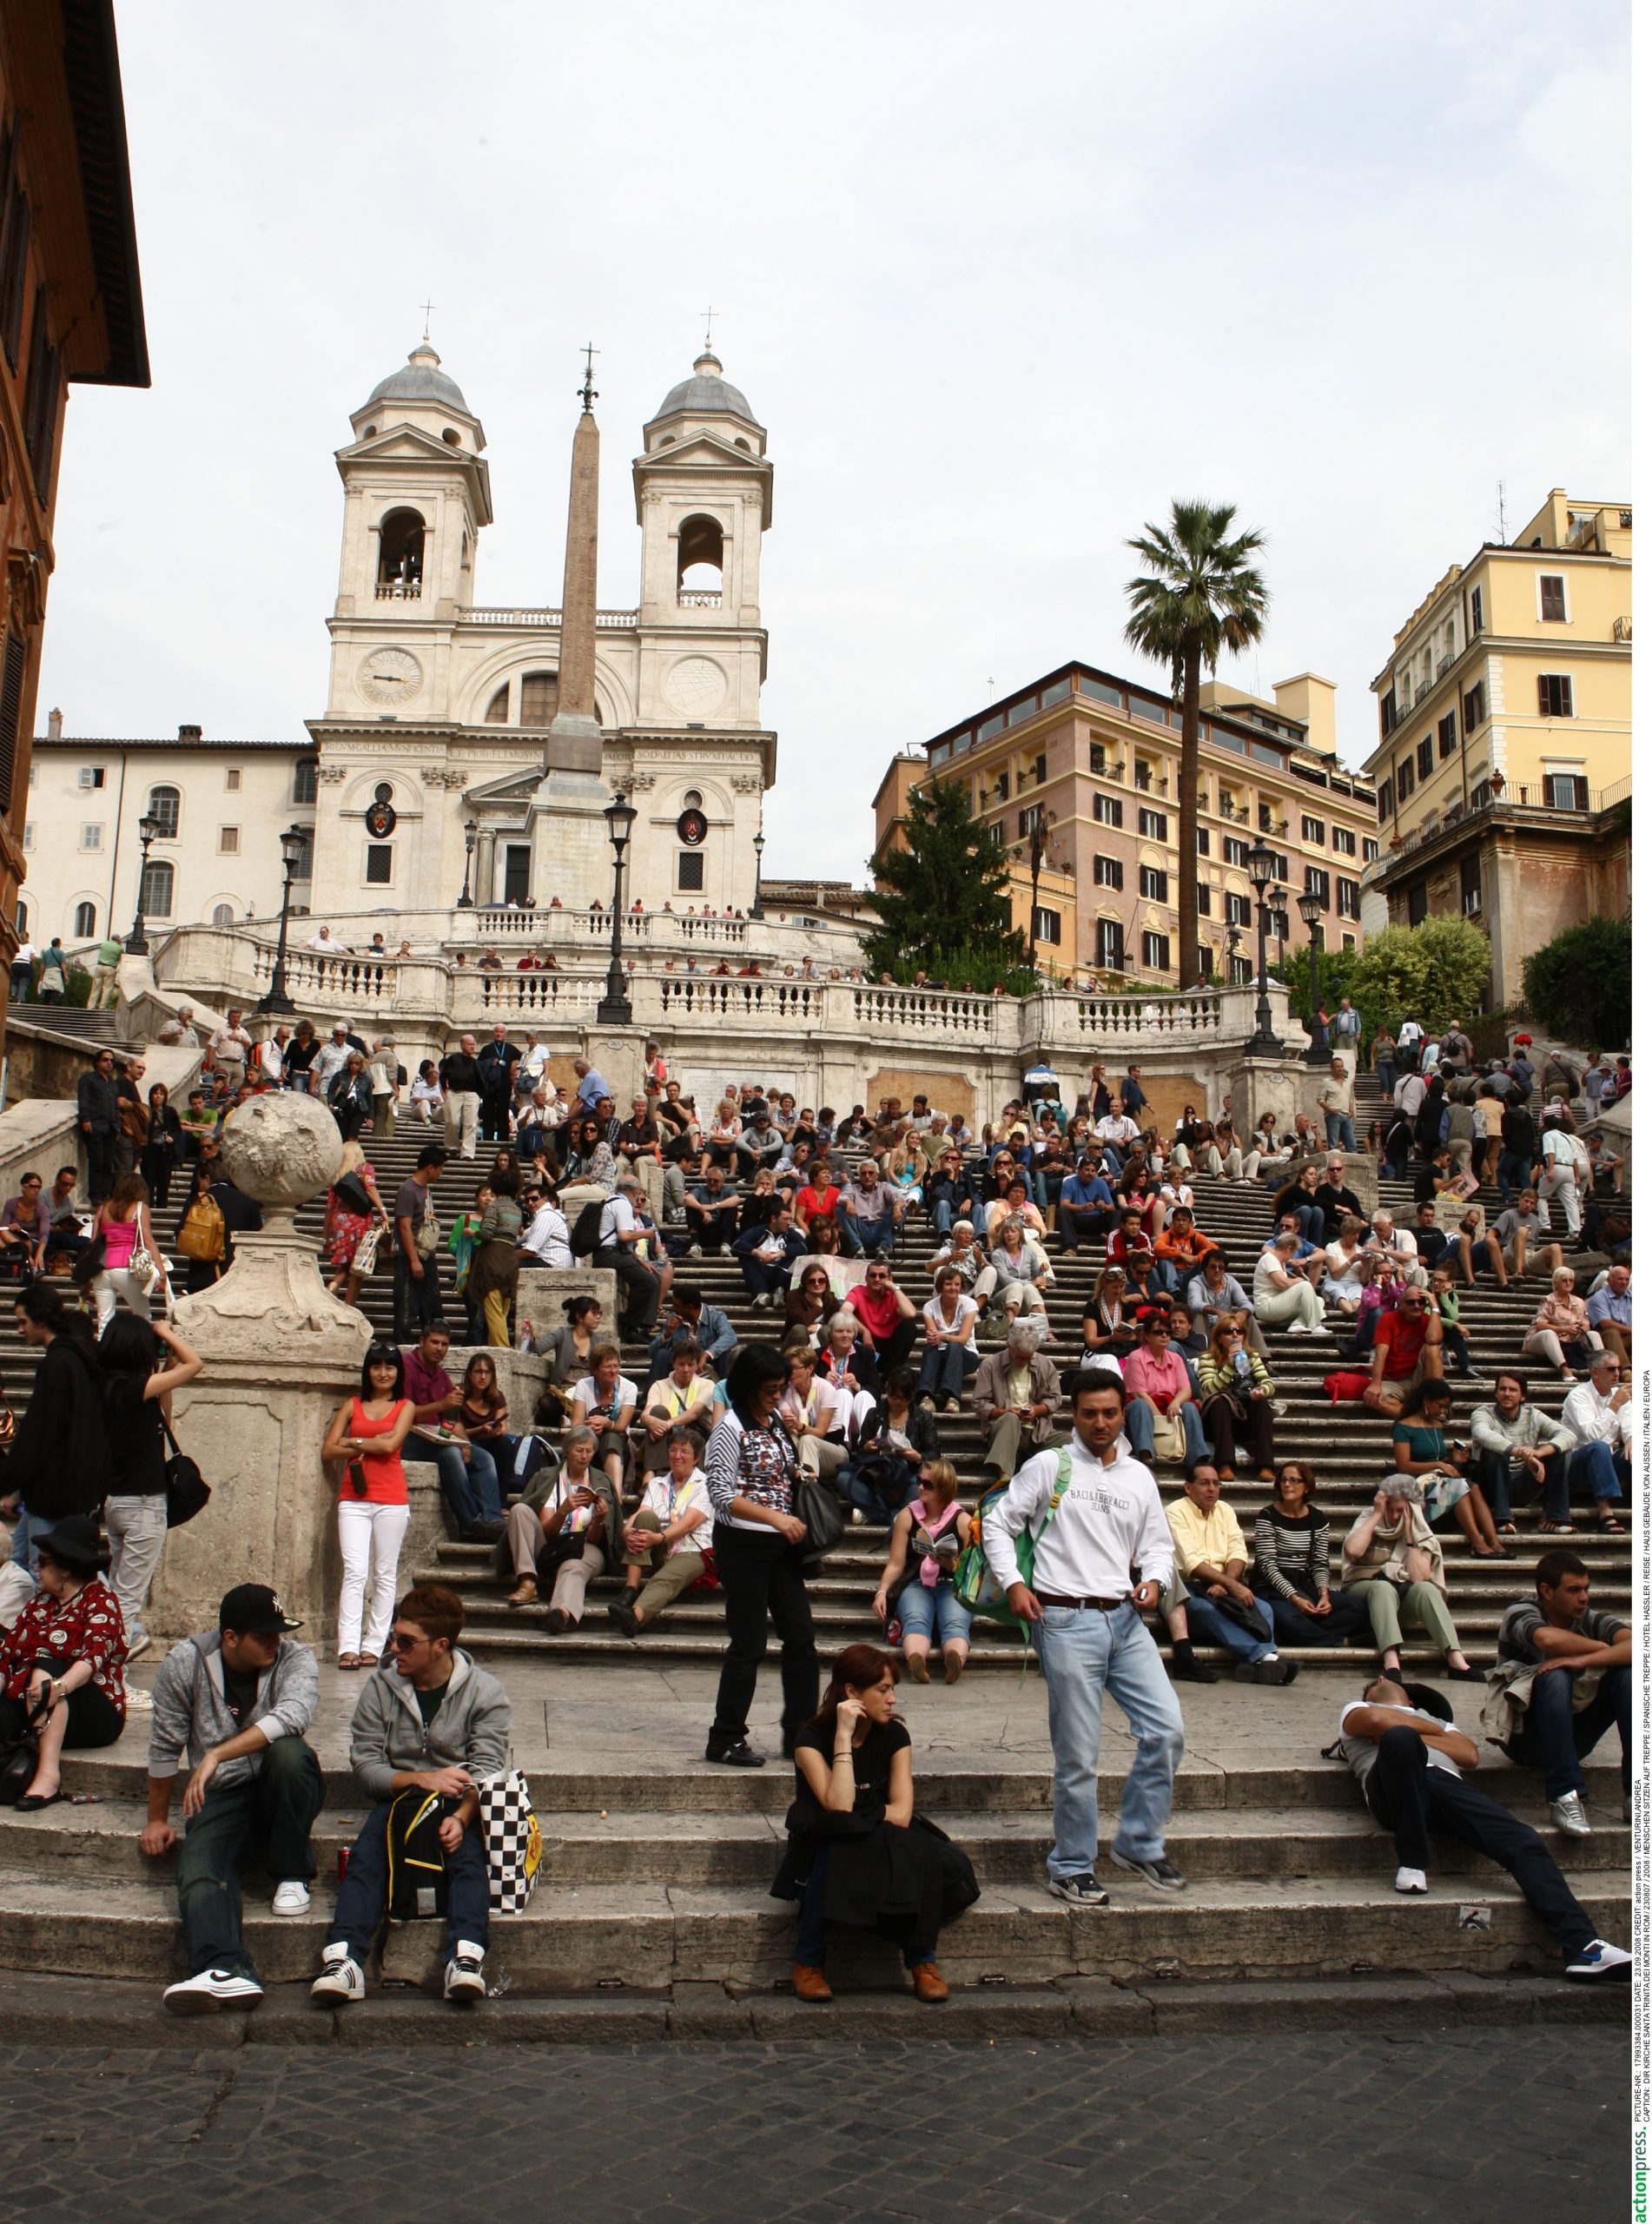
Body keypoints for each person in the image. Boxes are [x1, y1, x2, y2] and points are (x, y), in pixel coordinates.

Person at [983, 1372, 1184, 1902]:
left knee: (1166, 1729)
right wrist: (1014, 1583)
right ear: (1075, 1414)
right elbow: (998, 1525)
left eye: (1110, 1413)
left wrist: (1155, 1579)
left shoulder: (1140, 1476)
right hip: (1065, 1621)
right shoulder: (1050, 1464)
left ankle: (1138, 1840)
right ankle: (1071, 1864)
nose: (1100, 1423)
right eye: (1090, 1413)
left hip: (1126, 1619)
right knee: (1079, 1756)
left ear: (1124, 1414)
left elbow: (1158, 1544)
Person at [1333, 1671, 1629, 1978]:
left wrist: (1413, 1726)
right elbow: (1378, 1724)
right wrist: (1421, 1733)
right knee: (1399, 1739)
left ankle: (1583, 1946)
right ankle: (1413, 1862)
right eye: (1374, 1684)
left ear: (1410, 1700)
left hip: (1446, 1787)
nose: (1380, 1679)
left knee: (1523, 1839)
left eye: (1383, 1681)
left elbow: (1469, 1755)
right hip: (1391, 1789)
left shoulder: (1441, 1722)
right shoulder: (1356, 1709)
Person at [313, 1585, 512, 2008]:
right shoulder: (380, 1688)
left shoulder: (485, 1692)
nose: (393, 1648)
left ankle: (466, 1956)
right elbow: (366, 1769)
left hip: (459, 1799)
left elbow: (488, 1769)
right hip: (399, 1798)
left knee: (468, 1854)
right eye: (392, 1636)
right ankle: (345, 1958)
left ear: (440, 1646)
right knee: (370, 1851)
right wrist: (421, 1780)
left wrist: (461, 1816)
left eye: (405, 1641)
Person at [141, 1582, 325, 2013]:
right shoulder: (184, 1663)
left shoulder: (295, 1658)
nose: (275, 1643)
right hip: (222, 1795)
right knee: (201, 1871)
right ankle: (224, 1969)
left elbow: (294, 1714)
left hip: (281, 1788)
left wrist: (217, 1754)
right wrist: (156, 1819)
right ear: (230, 1637)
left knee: (289, 1755)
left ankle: (292, 1873)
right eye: (264, 1636)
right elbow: (164, 1743)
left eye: (279, 1633)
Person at [772, 1642, 979, 2003]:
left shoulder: (895, 1736)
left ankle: (922, 1963)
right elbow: (838, 1806)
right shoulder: (810, 1740)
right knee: (832, 1852)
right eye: (883, 1690)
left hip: (878, 1833)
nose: (893, 1699)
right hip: (826, 1837)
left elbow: (901, 1812)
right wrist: (842, 1736)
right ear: (852, 1692)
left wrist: (865, 1814)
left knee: (923, 1852)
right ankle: (807, 1963)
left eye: (893, 1689)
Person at [704, 1344, 819, 1770]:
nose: (777, 1395)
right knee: (749, 1643)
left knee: (802, 1637)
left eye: (781, 1388)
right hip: (744, 1545)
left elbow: (782, 1470)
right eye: (771, 1388)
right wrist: (775, 1517)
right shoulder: (729, 1428)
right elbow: (720, 1494)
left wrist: (798, 1476)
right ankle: (726, 1735)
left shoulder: (772, 1423)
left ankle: (801, 1731)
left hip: (781, 1546)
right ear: (750, 1387)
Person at [1495, 1549, 1629, 1837]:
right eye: (1574, 1590)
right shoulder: (1521, 1612)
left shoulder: (1589, 1619)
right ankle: (1564, 1796)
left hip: (1573, 1736)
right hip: (1522, 1738)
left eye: (1586, 1589)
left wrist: (1583, 1660)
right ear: (1546, 1590)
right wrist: (1603, 1649)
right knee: (1553, 1674)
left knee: (1628, 1676)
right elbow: (1546, 1638)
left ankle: (1637, 1794)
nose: (1584, 1598)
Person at [97, 1314, 204, 1660]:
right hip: (143, 1506)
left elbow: (163, 1420)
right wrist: (165, 1333)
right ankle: (113, 1676)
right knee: (126, 1600)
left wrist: (165, 1371)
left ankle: (109, 1672)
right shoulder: (134, 1386)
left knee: (117, 1595)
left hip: (117, 1503)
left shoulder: (111, 1388)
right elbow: (195, 1364)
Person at [0, 1514, 125, 1808]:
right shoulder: (38, 1604)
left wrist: (59, 1686)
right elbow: (8, 1654)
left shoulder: (101, 1602)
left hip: (91, 1709)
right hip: (33, 1699)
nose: (36, 1568)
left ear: (65, 1571)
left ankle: (48, 1776)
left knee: (49, 1666)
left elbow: (92, 1657)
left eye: (43, 1562)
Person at [0, 1281, 109, 1572]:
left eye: (23, 1322)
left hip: (53, 1493)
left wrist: (9, 1480)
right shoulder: (79, 1360)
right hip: (69, 1488)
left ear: (40, 1318)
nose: (20, 1330)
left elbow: (40, 1433)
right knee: (21, 1563)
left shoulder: (58, 1363)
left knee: (39, 1571)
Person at [321, 1342, 415, 1671]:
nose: (383, 1372)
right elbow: (328, 1450)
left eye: (389, 1367)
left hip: (391, 1497)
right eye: (376, 1366)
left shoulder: (406, 1405)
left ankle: (373, 1646)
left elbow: (391, 1444)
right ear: (368, 1370)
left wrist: (354, 1441)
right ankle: (348, 1646)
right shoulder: (352, 1404)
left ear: (397, 1372)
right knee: (355, 1571)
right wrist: (363, 1444)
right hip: (353, 1497)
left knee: (384, 1573)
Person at [1166, 1463, 1292, 1682]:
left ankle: (1252, 1665)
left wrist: (1227, 1583)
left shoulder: (1225, 1510)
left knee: (1264, 1608)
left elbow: (1238, 1552)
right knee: (1203, 1608)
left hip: (1223, 1583)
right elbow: (1191, 1563)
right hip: (1189, 1586)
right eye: (1204, 1483)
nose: (1212, 1489)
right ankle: (1265, 1658)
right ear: (1188, 1487)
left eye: (1216, 1483)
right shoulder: (1175, 1512)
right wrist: (1232, 1585)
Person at [1341, 1478, 1478, 1679]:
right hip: (1362, 1594)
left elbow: (1419, 1577)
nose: (1396, 1516)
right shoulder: (1369, 1517)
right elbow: (1353, 1550)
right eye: (1392, 1509)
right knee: (1382, 1588)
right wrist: (1378, 1514)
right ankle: (1391, 1660)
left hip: (1399, 1598)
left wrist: (1410, 1538)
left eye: (1401, 1510)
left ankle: (1455, 1659)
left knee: (1427, 1590)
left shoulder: (1418, 1528)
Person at [500, 1426, 617, 1628]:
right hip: (551, 1543)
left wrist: (599, 1518)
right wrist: (563, 1511)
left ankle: (562, 1612)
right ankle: (527, 1582)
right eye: (579, 1450)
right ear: (567, 1450)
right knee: (520, 1509)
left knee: (573, 1567)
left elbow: (596, 1539)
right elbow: (547, 1532)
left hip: (584, 1545)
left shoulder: (601, 1481)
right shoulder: (547, 1477)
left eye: (589, 1451)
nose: (584, 1456)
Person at [871, 1461, 975, 1685]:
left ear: (944, 1487)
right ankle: (916, 1660)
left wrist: (950, 1563)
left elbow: (972, 1571)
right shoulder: (907, 1516)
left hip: (952, 1584)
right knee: (915, 1619)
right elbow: (896, 1564)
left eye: (928, 1484)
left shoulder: (963, 1521)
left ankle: (954, 1660)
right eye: (919, 1481)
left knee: (955, 1622)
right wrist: (881, 1592)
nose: (920, 1487)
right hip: (917, 1583)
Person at [1250, 1460, 1369, 1648]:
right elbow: (1267, 1565)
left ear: (1306, 1487)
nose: (1287, 1485)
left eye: (1294, 1480)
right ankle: (1336, 1640)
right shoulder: (1267, 1516)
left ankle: (1301, 1633)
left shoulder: (1318, 1518)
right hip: (1272, 1587)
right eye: (1284, 1480)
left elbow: (1320, 1563)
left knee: (1359, 1608)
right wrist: (1294, 1598)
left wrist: (1324, 1594)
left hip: (1304, 1583)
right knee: (1289, 1619)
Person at [400, 1324, 503, 1541]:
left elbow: (453, 1418)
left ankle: (492, 1519)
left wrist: (465, 1442)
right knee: (451, 1455)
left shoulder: (441, 1375)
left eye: (444, 1344)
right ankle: (470, 1524)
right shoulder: (407, 1365)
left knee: (484, 1458)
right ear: (421, 1341)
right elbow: (404, 1413)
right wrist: (441, 1404)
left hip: (436, 1436)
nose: (439, 1348)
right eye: (434, 1342)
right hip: (408, 1437)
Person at [610, 1426, 713, 1636]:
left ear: (696, 1459)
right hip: (659, 1547)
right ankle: (630, 1590)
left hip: (691, 1548)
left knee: (664, 1580)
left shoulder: (706, 1484)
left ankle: (635, 1616)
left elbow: (689, 1524)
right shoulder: (657, 1483)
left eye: (684, 1452)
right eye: (673, 1450)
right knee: (645, 1518)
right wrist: (627, 1532)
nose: (677, 1456)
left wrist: (658, 1538)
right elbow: (642, 1512)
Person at [1390, 1379, 1504, 1556]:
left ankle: (1493, 1541)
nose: (1443, 1411)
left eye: (1446, 1407)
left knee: (1473, 1486)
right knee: (1459, 1487)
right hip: (1417, 1486)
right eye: (1440, 1406)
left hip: (1439, 1481)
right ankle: (1477, 1542)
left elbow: (1437, 1459)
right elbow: (1404, 1466)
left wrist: (1453, 1459)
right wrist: (1439, 1464)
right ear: (1426, 1400)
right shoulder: (1403, 1427)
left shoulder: (1437, 1425)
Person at [1469, 1372, 1577, 1535]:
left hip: (1523, 1484)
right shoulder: (1482, 1413)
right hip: (1490, 1483)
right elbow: (1482, 1434)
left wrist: (1539, 1453)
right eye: (1502, 1389)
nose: (1507, 1393)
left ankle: (1554, 1519)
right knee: (1494, 1451)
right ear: (1496, 1393)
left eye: (1513, 1390)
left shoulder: (1533, 1415)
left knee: (1561, 1451)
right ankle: (1503, 1519)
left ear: (1523, 1396)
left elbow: (1569, 1435)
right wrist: (1520, 1452)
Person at [972, 1318, 1061, 1482]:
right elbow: (979, 1403)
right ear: (1009, 1346)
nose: (1023, 1362)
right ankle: (1004, 1479)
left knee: (1069, 1443)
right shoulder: (990, 1365)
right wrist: (1004, 1412)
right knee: (1011, 1418)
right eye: (1019, 1358)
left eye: (1028, 1358)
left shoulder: (1045, 1364)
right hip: (1002, 1429)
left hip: (1037, 1432)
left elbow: (1055, 1398)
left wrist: (1037, 1410)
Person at [1120, 1308, 1211, 1471]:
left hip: (1170, 1405)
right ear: (1147, 1336)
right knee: (1140, 1405)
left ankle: (1198, 1457)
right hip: (1145, 1408)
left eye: (1167, 1332)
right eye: (1158, 1332)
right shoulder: (1136, 1357)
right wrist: (1161, 1418)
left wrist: (1175, 1403)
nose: (1164, 1336)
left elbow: (1186, 1389)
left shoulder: (1175, 1358)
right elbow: (1139, 1393)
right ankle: (1145, 1454)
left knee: (1189, 1406)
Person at [1195, 1314, 1276, 1479]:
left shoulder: (1252, 1357)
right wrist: (1229, 1366)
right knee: (1220, 1401)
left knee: (1260, 1403)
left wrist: (1262, 1391)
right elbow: (1209, 1389)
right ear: (1218, 1337)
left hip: (1244, 1418)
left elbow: (1268, 1383)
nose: (1234, 1335)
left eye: (1239, 1331)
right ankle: (1225, 1464)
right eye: (1228, 1331)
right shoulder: (1207, 1359)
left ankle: (1265, 1465)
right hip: (1217, 1420)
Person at [1559, 1352, 1630, 1531]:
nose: (1617, 1373)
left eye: (1619, 1369)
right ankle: (1605, 1512)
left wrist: (1632, 1439)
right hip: (1575, 1465)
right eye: (1611, 1369)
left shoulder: (1619, 1395)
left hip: (1605, 1463)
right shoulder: (1578, 1396)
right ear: (1594, 1372)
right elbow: (1592, 1435)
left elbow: (1631, 1424)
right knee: (1599, 1447)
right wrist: (1614, 1405)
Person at [593, 1175, 663, 1343]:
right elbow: (624, 1236)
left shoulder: (611, 1201)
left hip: (613, 1253)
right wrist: (646, 1233)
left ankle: (642, 1326)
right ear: (635, 1191)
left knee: (653, 1276)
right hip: (610, 1255)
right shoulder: (622, 1203)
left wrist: (640, 1261)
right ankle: (629, 1324)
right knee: (649, 1282)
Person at [392, 1143, 446, 1341]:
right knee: (407, 1308)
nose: (441, 1173)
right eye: (440, 1168)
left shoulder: (425, 1191)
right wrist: (414, 1259)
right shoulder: (408, 1190)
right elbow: (405, 1226)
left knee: (431, 1306)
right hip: (409, 1257)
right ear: (430, 1167)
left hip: (426, 1255)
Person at [914, 1265, 979, 1413]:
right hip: (940, 1356)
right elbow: (933, 1339)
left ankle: (953, 1398)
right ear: (940, 1286)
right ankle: (926, 1397)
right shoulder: (929, 1307)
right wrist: (937, 1337)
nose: (953, 1288)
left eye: (957, 1284)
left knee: (955, 1346)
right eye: (948, 1284)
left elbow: (962, 1339)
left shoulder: (969, 1304)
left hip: (966, 1356)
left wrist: (943, 1336)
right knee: (931, 1349)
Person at [1522, 1265, 1601, 1382]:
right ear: (1556, 1283)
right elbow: (1540, 1325)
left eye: (1571, 1280)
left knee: (1594, 1334)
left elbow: (1586, 1325)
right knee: (1549, 1333)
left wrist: (1580, 1328)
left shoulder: (1579, 1302)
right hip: (1540, 1340)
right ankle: (1565, 1370)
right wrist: (1564, 1329)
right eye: (1564, 1280)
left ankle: (1602, 1369)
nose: (1568, 1283)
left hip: (1569, 1341)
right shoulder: (1548, 1300)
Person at [76, 1046, 122, 1205]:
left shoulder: (113, 1084)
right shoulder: (88, 1079)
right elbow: (84, 1100)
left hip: (110, 1128)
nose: (109, 1063)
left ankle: (106, 1194)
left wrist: (117, 1126)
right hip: (95, 1126)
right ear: (97, 1062)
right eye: (105, 1060)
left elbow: (115, 1107)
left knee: (108, 1163)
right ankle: (96, 1195)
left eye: (111, 1060)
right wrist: (86, 1119)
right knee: (97, 1161)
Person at [439, 1033, 485, 1160]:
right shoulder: (453, 1059)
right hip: (454, 1092)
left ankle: (468, 1152)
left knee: (470, 1123)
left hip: (471, 1094)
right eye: (470, 1044)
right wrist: (445, 1090)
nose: (473, 1046)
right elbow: (443, 1076)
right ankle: (452, 1147)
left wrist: (479, 1094)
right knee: (452, 1121)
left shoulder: (475, 1062)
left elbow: (481, 1079)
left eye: (474, 1044)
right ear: (462, 1045)